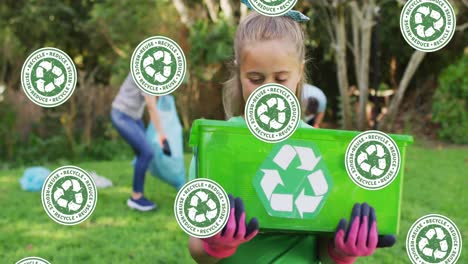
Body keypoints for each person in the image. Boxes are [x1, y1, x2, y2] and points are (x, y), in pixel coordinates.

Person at [187, 10, 396, 264]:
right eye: (255, 79)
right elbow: (197, 250)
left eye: (281, 78)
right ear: (239, 73)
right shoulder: (216, 145)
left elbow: (321, 250)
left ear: (299, 73)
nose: (269, 90)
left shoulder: (320, 150)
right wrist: (216, 246)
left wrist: (342, 252)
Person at [110, 73, 170, 212]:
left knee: (143, 154)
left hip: (134, 117)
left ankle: (137, 195)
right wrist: (162, 135)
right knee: (146, 152)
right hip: (122, 115)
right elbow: (151, 106)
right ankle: (136, 198)